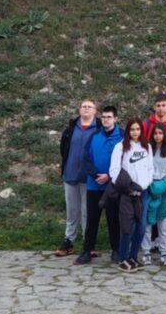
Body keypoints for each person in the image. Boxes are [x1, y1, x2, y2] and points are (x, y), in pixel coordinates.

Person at [73, 105, 123, 265]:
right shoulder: (94, 136)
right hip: (94, 185)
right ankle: (86, 252)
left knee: (114, 219)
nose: (106, 120)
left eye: (109, 117)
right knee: (92, 220)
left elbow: (126, 160)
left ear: (115, 119)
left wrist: (109, 175)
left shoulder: (123, 136)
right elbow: (85, 159)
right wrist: (96, 175)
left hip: (113, 185)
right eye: (104, 117)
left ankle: (116, 251)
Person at [55, 99, 101, 257]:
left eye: (89, 106)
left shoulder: (99, 128)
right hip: (70, 174)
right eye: (84, 106)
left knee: (88, 211)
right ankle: (69, 240)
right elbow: (64, 149)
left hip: (89, 176)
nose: (86, 109)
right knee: (72, 210)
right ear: (79, 109)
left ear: (95, 110)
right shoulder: (71, 128)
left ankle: (89, 242)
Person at [110, 118, 154, 271]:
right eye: (132, 129)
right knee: (127, 227)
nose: (135, 132)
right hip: (127, 193)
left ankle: (133, 256)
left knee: (141, 226)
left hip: (142, 192)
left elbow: (150, 169)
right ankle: (123, 258)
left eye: (138, 129)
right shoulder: (120, 147)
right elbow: (114, 170)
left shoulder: (147, 147)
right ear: (128, 131)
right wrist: (126, 187)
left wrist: (143, 185)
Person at [142, 123, 166, 266]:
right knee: (147, 222)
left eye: (160, 133)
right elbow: (144, 168)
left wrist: (163, 184)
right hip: (149, 188)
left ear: (164, 135)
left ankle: (164, 252)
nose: (157, 136)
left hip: (164, 189)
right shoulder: (147, 149)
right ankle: (146, 252)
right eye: (155, 133)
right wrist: (150, 184)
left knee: (163, 222)